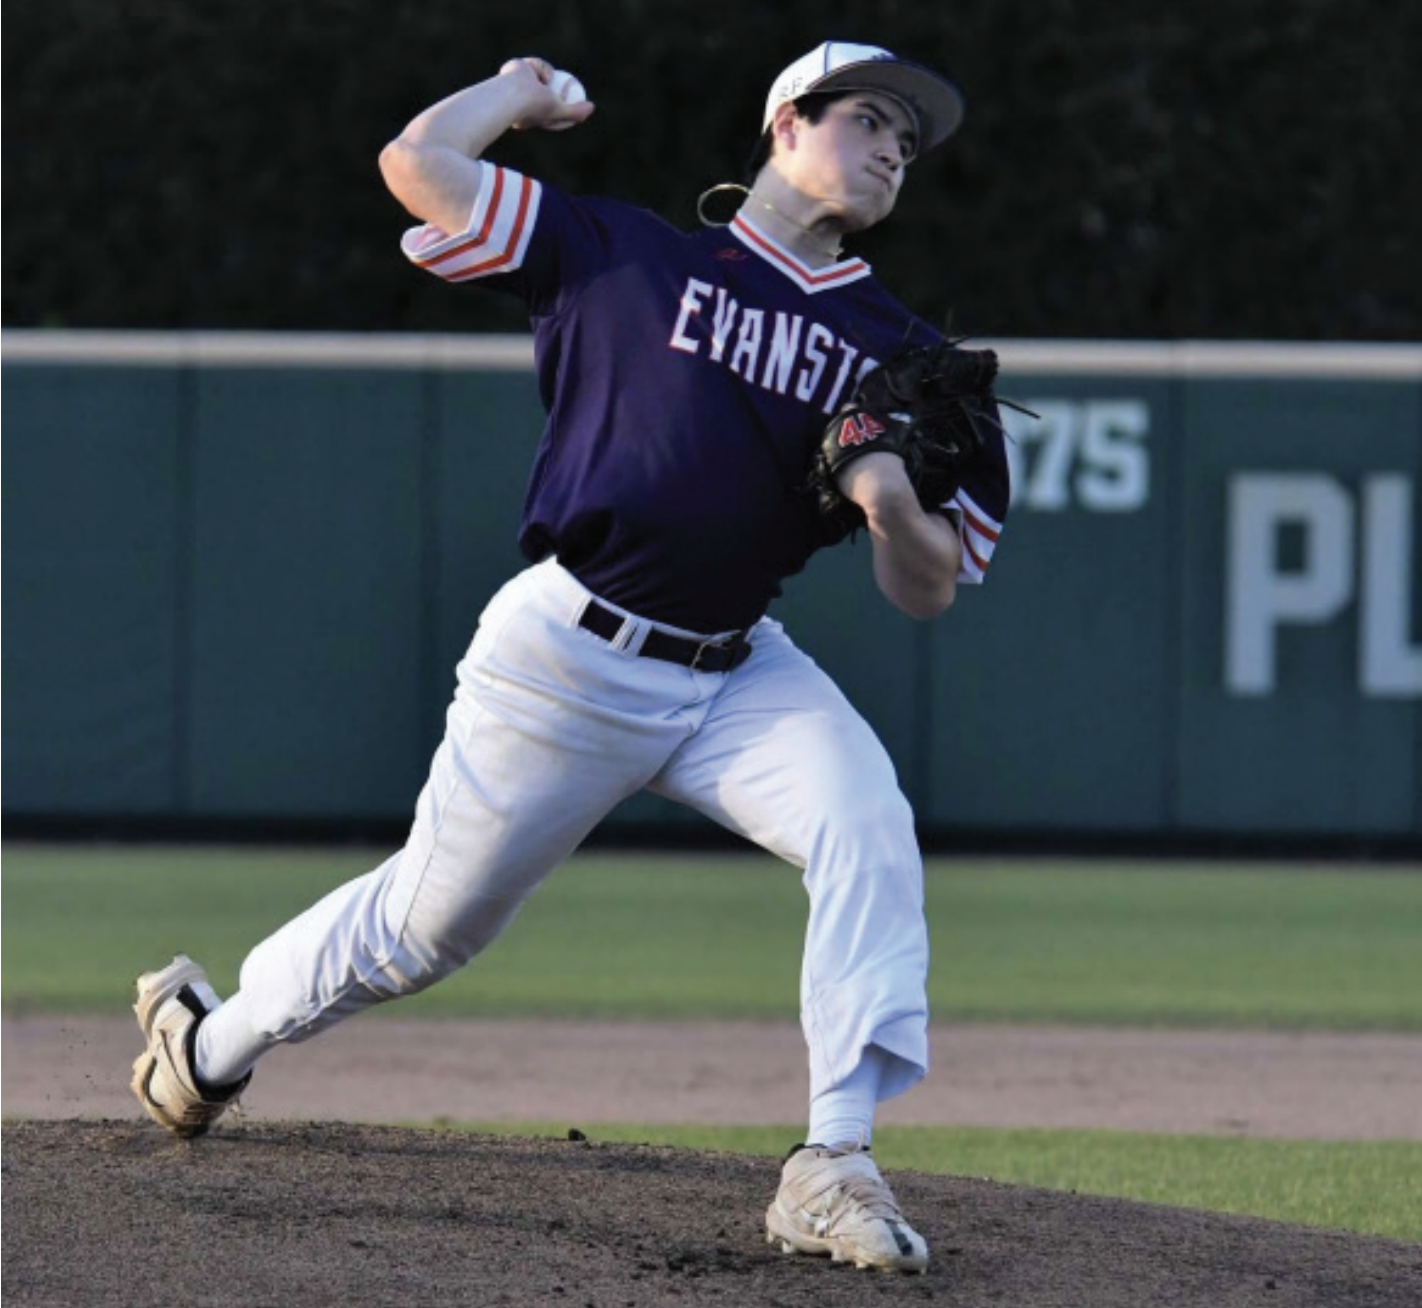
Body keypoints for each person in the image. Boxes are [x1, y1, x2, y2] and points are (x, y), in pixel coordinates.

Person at [130, 40, 1011, 1275]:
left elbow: (927, 591)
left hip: (738, 672)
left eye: (906, 145)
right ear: (784, 126)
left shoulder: (898, 348)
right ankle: (207, 1045)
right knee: (424, 933)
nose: (888, 152)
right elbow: (416, 167)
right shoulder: (626, 254)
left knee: (868, 823)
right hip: (567, 653)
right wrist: (518, 95)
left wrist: (887, 499)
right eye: (866, 120)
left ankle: (834, 1162)